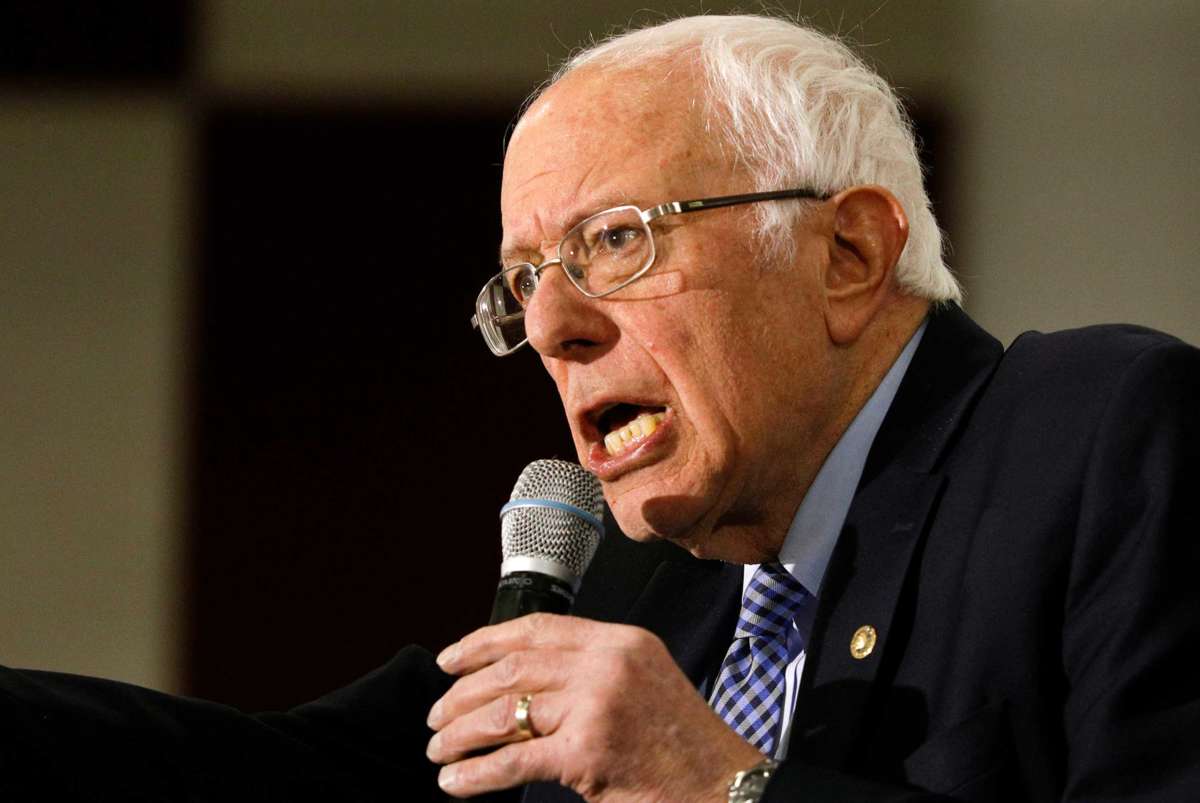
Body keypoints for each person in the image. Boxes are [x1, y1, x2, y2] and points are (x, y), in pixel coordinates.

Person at [2, 13, 1197, 803]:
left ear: (846, 252)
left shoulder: (1100, 439)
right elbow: (312, 778)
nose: (552, 325)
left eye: (615, 240)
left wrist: (722, 785)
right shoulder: (649, 582)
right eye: (524, 279)